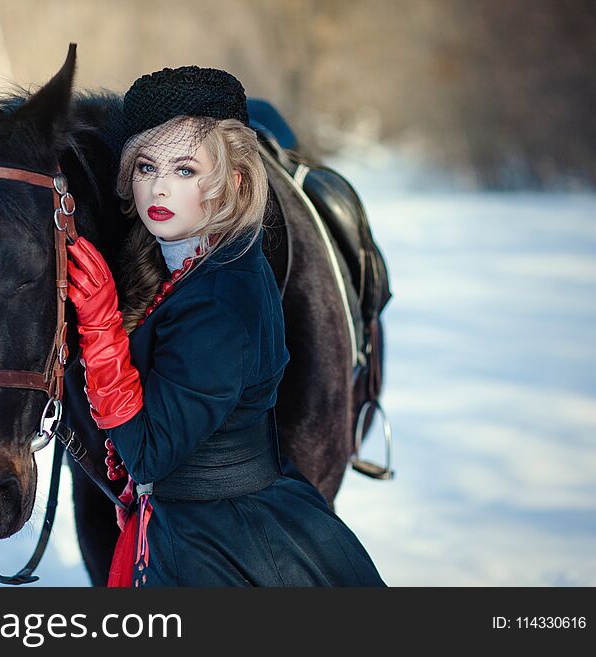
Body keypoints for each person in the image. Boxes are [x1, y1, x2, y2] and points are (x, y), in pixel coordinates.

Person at [65, 66, 385, 587]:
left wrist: (102, 329)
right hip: (194, 530)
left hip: (221, 545)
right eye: (146, 166)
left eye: (185, 170)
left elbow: (147, 455)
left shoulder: (219, 300)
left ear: (232, 180)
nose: (158, 188)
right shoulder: (193, 263)